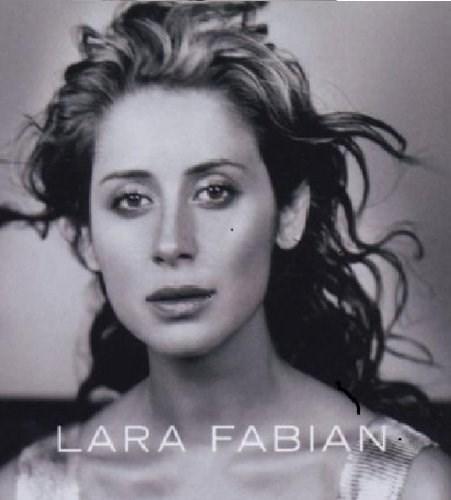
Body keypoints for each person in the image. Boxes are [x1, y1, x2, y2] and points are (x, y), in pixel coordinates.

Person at [0, 2, 450, 498]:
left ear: (290, 213)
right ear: (85, 238)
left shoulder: (405, 485)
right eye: (131, 200)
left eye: (214, 191)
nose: (172, 242)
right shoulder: (34, 489)